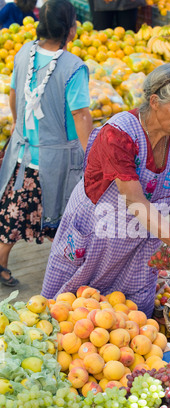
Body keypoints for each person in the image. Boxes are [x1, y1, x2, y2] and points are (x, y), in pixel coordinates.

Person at [41, 63, 170, 317]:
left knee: (130, 321)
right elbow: (134, 199)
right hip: (97, 236)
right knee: (69, 312)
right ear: (155, 101)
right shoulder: (119, 134)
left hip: (141, 243)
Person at [0, 0, 93, 287]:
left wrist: (17, 125)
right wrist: (91, 152)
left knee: (13, 214)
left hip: (23, 156)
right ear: (71, 30)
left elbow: (14, 94)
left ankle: (0, 264)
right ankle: (69, 273)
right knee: (68, 217)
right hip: (59, 164)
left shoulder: (24, 52)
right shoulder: (74, 67)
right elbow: (80, 115)